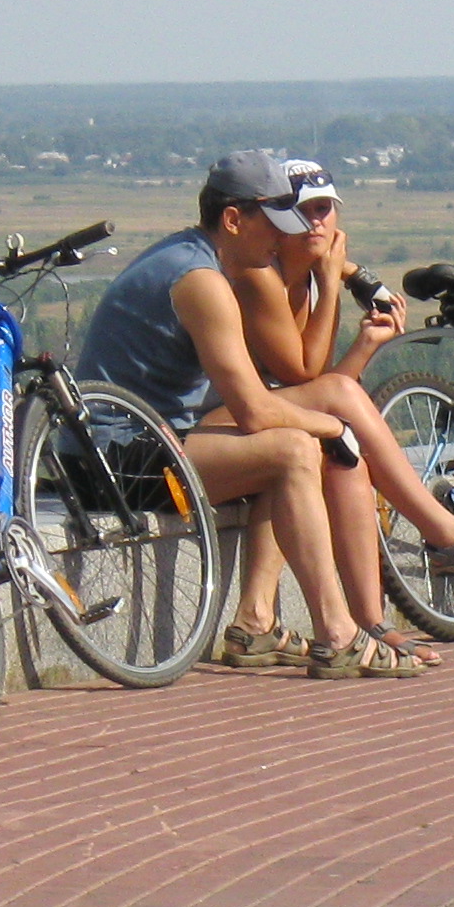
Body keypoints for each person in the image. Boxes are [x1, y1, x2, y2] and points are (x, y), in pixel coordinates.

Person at [75, 151, 424, 679]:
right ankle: (339, 633)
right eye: (275, 224)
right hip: (116, 460)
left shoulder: (194, 256)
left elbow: (276, 391)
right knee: (292, 449)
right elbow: (256, 411)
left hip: (156, 438)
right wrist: (333, 428)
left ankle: (255, 622)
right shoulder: (200, 280)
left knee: (288, 448)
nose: (282, 238)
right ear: (234, 219)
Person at [218, 165, 454, 671]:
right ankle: (445, 533)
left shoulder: (306, 277)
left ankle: (370, 623)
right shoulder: (261, 277)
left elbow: (320, 393)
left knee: (348, 460)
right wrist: (332, 280)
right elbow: (307, 374)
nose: (316, 222)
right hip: (214, 428)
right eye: (301, 211)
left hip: (263, 425)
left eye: (324, 209)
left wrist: (364, 342)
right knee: (331, 426)